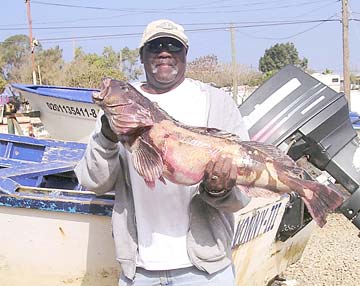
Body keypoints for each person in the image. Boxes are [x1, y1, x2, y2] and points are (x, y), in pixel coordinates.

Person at [75, 19, 251, 286]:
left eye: (173, 46)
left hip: (205, 271)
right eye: (155, 46)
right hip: (139, 272)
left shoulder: (217, 103)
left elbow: (241, 198)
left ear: (185, 54)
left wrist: (220, 189)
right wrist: (108, 135)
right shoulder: (119, 109)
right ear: (142, 56)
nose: (164, 52)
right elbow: (94, 183)